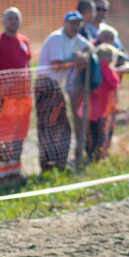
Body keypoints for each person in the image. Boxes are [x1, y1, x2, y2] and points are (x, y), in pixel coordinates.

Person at [37, 12, 90, 172]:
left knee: (60, 126)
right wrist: (76, 60)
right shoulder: (57, 38)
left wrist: (84, 55)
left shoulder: (74, 38)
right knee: (51, 126)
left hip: (56, 86)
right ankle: (49, 166)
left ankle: (57, 164)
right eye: (72, 23)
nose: (75, 27)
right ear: (65, 23)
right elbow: (57, 64)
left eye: (78, 23)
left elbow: (89, 47)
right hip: (47, 85)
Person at [0, 7, 33, 185]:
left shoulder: (24, 41)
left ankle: (15, 172)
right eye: (10, 18)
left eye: (16, 18)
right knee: (2, 137)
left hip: (23, 99)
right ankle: (1, 175)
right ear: (4, 21)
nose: (14, 21)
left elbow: (28, 67)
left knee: (19, 136)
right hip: (4, 98)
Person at [82, 44, 119, 162]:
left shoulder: (97, 67)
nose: (111, 57)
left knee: (93, 133)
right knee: (98, 133)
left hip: (96, 106)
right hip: (98, 106)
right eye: (108, 55)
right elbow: (114, 83)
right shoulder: (103, 67)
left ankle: (92, 156)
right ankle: (96, 157)